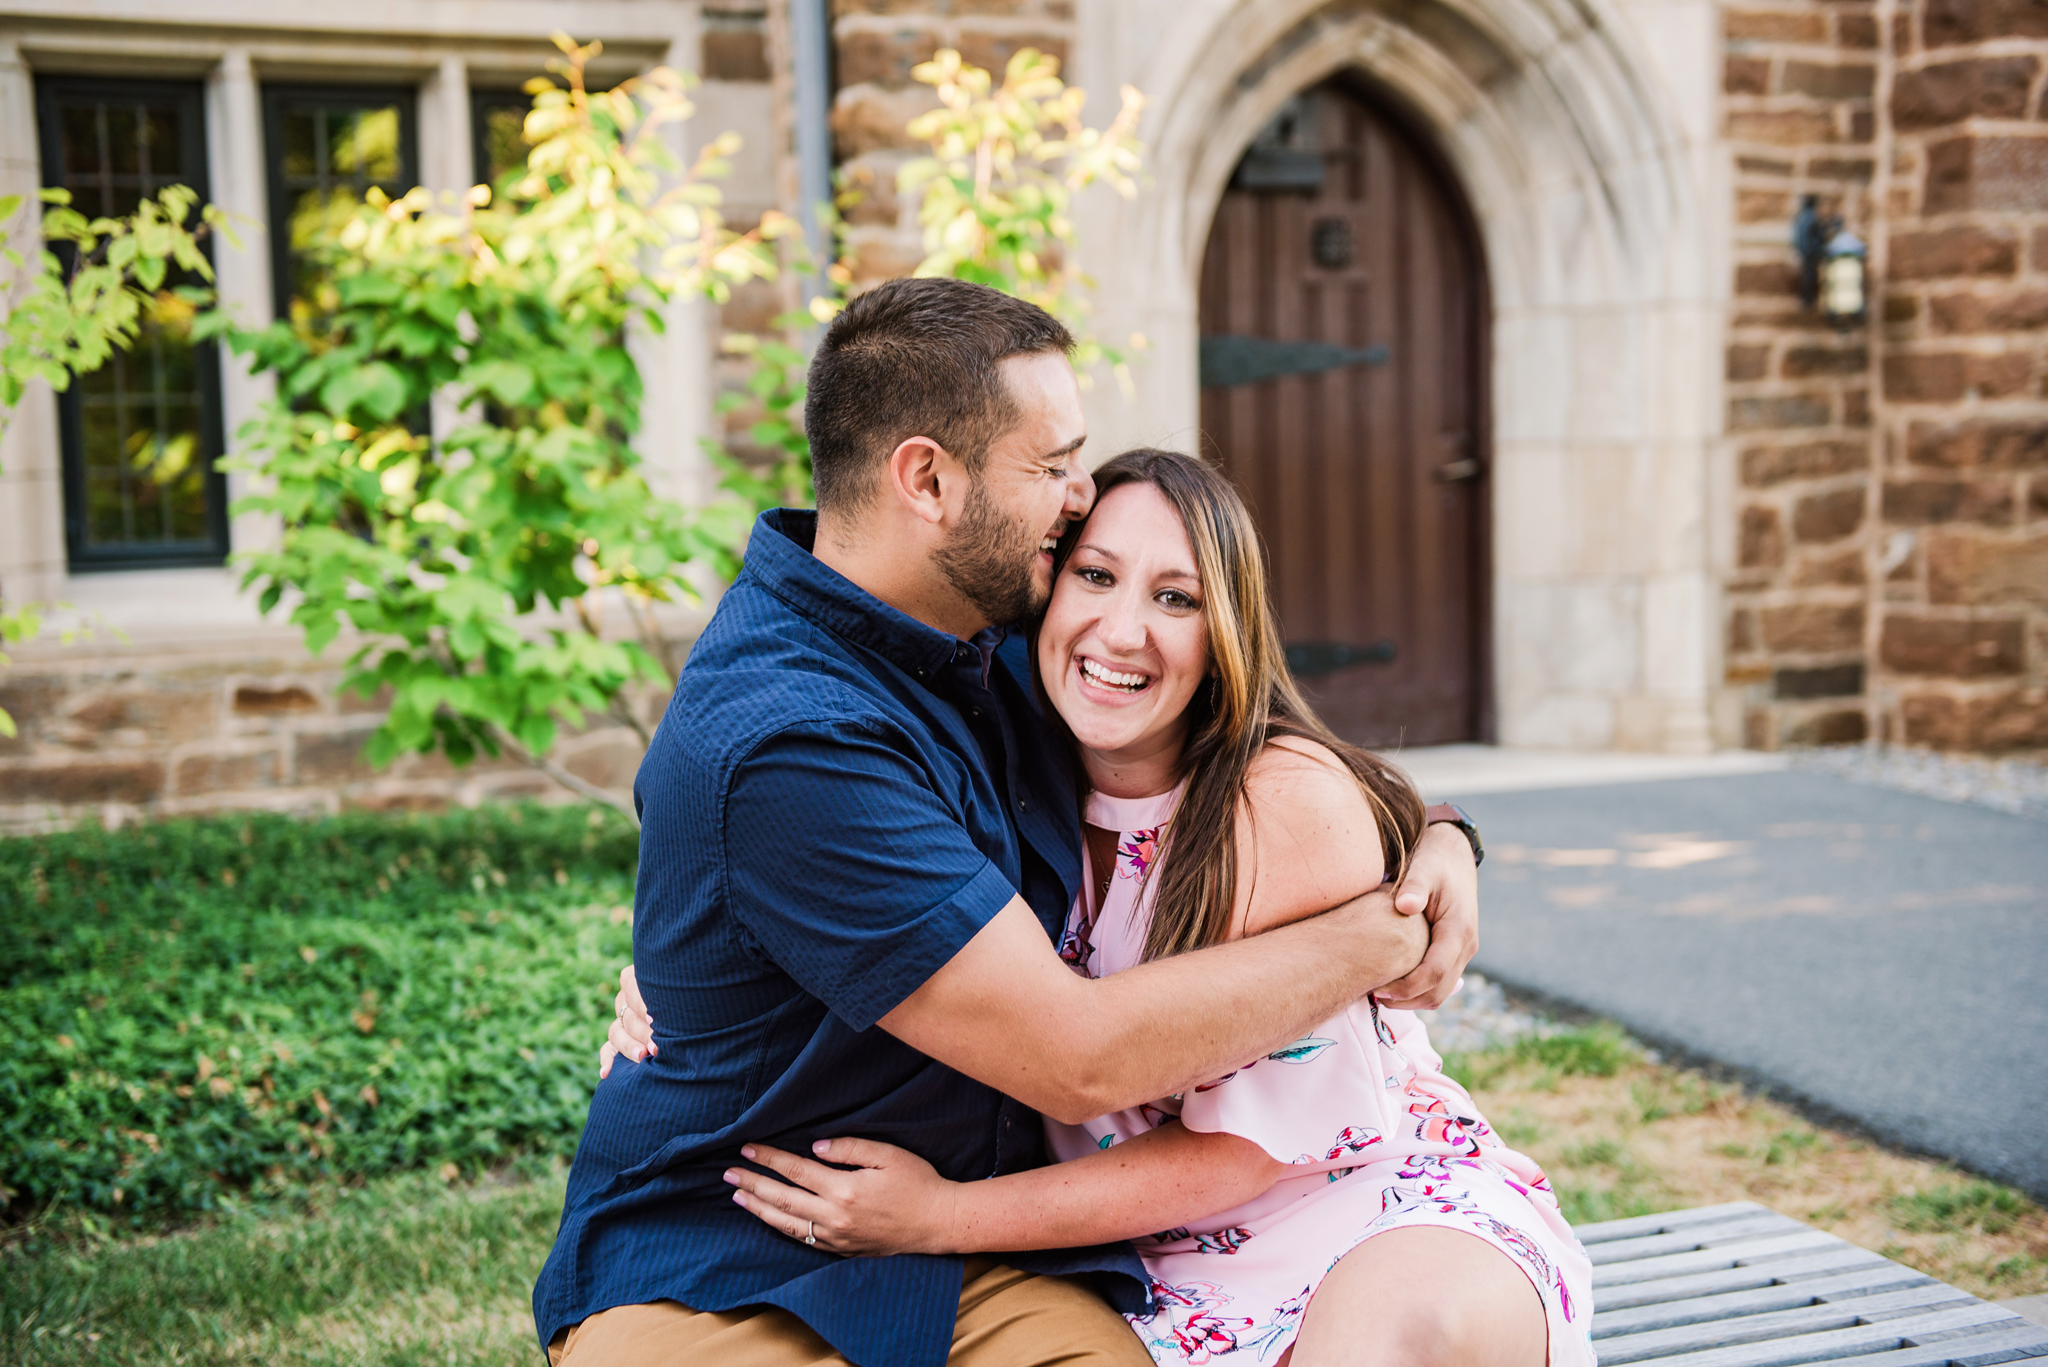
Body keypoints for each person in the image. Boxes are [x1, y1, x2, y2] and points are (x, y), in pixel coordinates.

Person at [538, 277, 1483, 1367]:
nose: (1079, 495)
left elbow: (1251, 739)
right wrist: (1376, 935)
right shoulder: (795, 741)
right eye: (1049, 465)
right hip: (725, 1255)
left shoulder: (993, 642)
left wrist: (1442, 838)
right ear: (927, 479)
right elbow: (1075, 1059)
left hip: (972, 1254)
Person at [706, 450, 1594, 1367]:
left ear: (1228, 633)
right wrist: (692, 978)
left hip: (1366, 1206)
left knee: (1396, 1337)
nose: (1121, 630)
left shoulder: (1276, 804)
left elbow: (1247, 1152)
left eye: (1178, 598)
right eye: (1094, 575)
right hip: (1147, 1268)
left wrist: (942, 1216)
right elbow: (840, 863)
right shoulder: (997, 756)